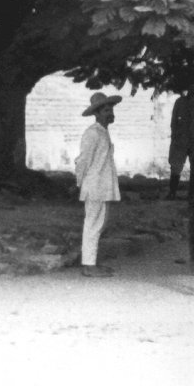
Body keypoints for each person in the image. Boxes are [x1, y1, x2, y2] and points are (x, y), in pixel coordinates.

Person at [75, 92, 122, 278]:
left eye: (111, 110)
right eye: (106, 111)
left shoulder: (103, 132)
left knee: (99, 223)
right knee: (93, 224)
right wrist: (80, 182)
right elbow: (83, 160)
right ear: (97, 113)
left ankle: (91, 261)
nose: (110, 113)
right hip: (94, 185)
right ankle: (88, 265)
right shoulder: (92, 133)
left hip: (103, 185)